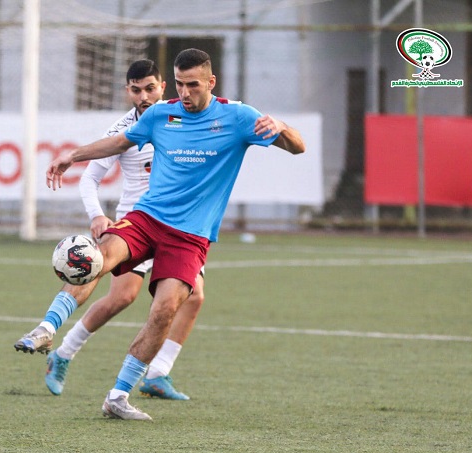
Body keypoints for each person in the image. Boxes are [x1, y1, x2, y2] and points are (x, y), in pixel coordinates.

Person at [15, 48, 305, 421]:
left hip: (190, 236)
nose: (184, 93)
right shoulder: (160, 114)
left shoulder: (238, 117)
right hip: (147, 218)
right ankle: (48, 327)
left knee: (166, 309)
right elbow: (119, 142)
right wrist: (73, 155)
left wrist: (281, 127)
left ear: (211, 82)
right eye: (180, 84)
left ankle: (118, 396)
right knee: (97, 258)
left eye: (193, 85)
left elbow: (298, 147)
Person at [44, 59, 203, 401]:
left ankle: (158, 373)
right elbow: (90, 177)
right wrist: (97, 215)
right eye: (136, 90)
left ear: (163, 87)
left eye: (150, 88)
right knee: (121, 297)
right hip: (138, 223)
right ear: (127, 91)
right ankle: (62, 350)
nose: (144, 96)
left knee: (194, 298)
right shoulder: (123, 129)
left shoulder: (182, 116)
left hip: (178, 225)